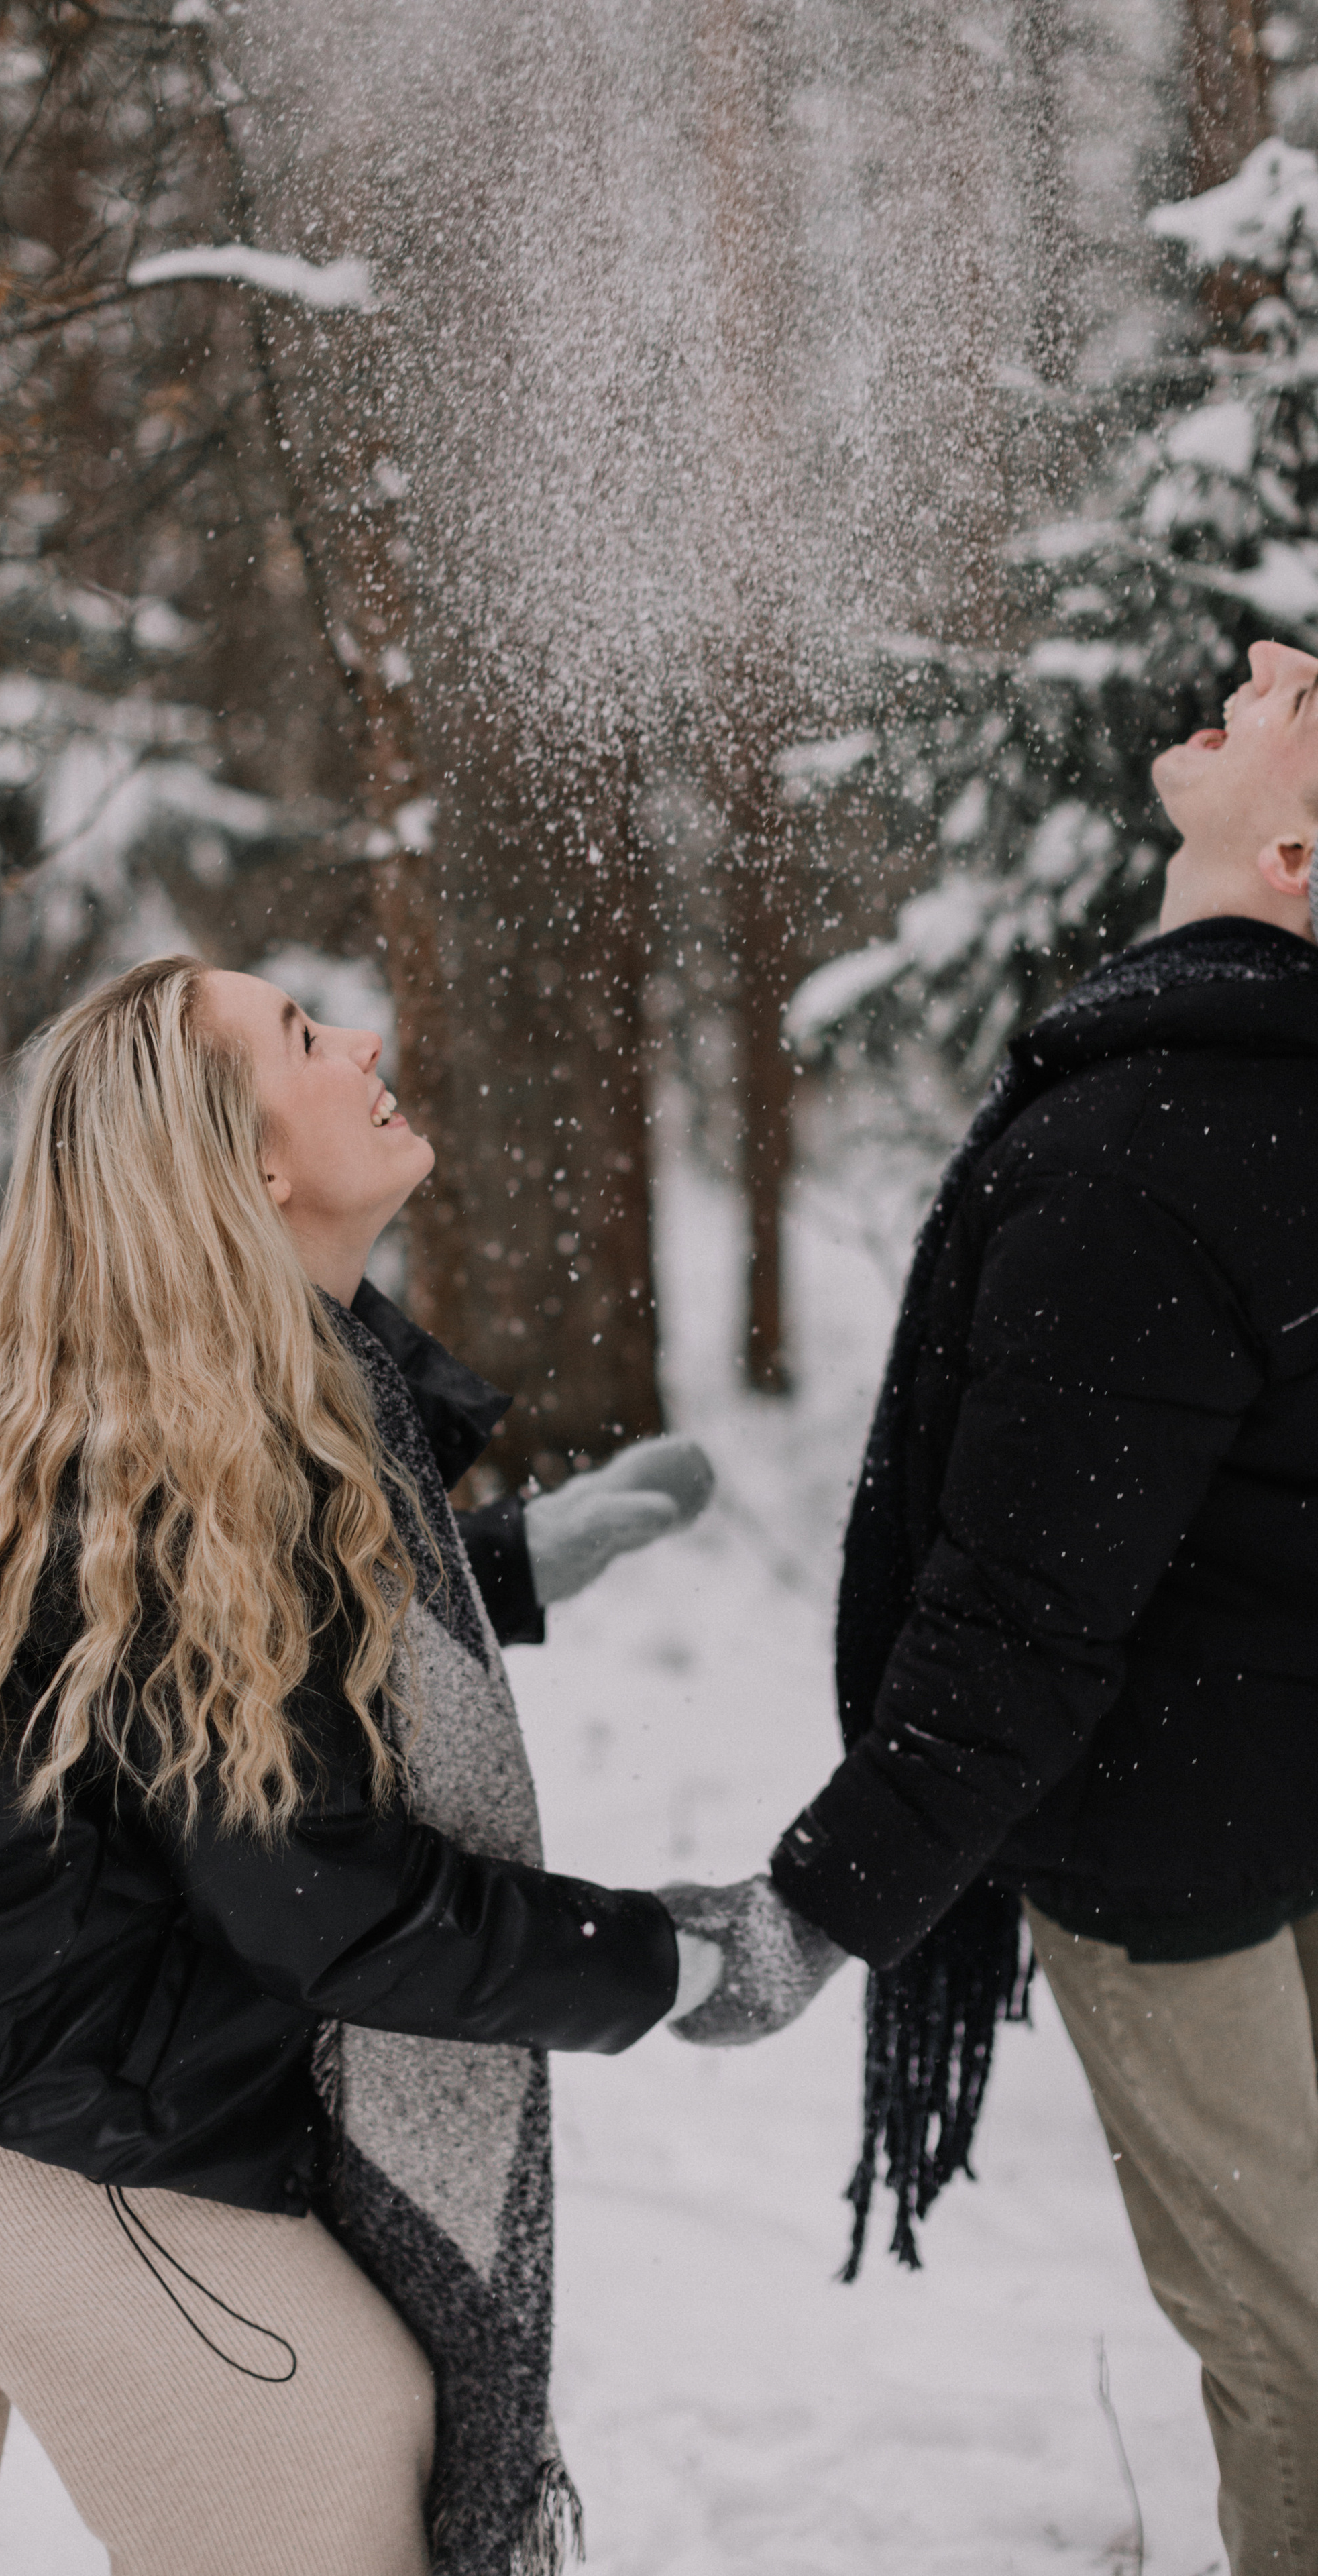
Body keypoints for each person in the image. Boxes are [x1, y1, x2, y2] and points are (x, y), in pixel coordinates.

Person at [0, 953, 806, 2576]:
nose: (361, 1037)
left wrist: (493, 1573)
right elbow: (329, 1908)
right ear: (249, 1170)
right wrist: (665, 1960)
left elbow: (213, 1679)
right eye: (302, 1033)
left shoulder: (184, 1402)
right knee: (332, 2478)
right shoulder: (189, 1474)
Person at [741, 637, 1318, 2576]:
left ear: (1303, 856)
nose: (1269, 658)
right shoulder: (1238, 1111)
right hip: (1279, 1804)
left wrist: (827, 1899)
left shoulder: (1150, 1149)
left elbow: (1018, 1612)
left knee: (1300, 2355)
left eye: (1310, 701)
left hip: (1181, 1866)